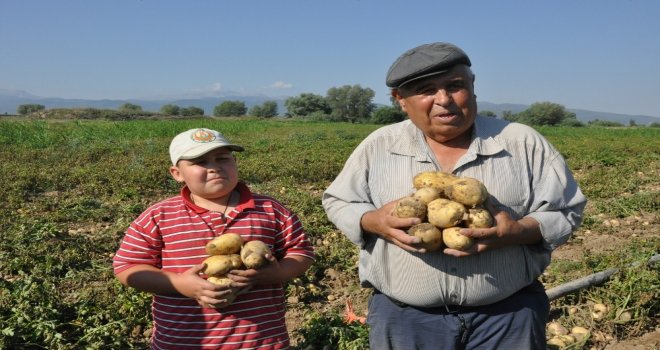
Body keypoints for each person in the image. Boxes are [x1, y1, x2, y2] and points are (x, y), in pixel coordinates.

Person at [322, 42, 587, 349]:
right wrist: (371, 220)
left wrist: (515, 231)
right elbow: (338, 201)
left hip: (507, 316)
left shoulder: (521, 142)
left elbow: (567, 210)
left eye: (455, 86)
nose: (444, 100)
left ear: (472, 87)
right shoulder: (378, 146)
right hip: (405, 320)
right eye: (426, 90)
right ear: (401, 100)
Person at [113, 128, 315, 349]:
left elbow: (301, 252)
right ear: (177, 173)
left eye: (223, 159)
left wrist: (277, 273)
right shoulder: (159, 215)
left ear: (235, 162)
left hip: (261, 341)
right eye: (200, 162)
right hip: (182, 342)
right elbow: (127, 267)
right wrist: (180, 284)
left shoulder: (270, 209)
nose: (215, 167)